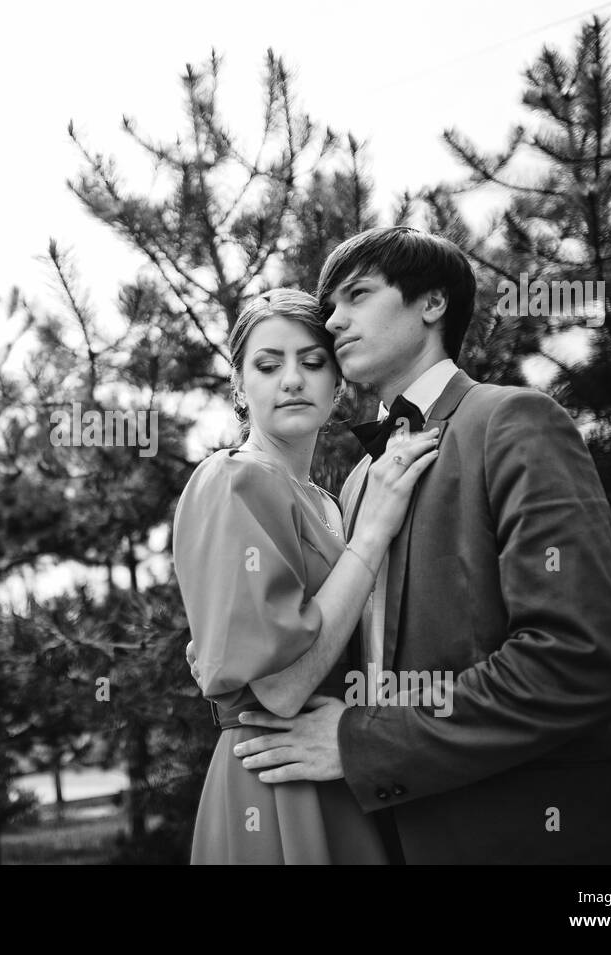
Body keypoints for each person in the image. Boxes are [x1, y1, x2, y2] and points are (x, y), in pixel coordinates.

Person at [226, 227, 611, 864]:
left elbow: (576, 661)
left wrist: (360, 744)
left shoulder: (515, 422)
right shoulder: (356, 484)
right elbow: (354, 659)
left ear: (432, 304)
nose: (335, 320)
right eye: (329, 308)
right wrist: (239, 645)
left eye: (358, 295)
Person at [173, 287, 438, 864]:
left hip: (339, 763)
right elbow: (284, 689)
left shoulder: (329, 501)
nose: (292, 379)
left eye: (313, 362)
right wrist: (372, 537)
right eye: (268, 365)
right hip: (273, 779)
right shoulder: (233, 479)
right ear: (239, 387)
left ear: (337, 383)